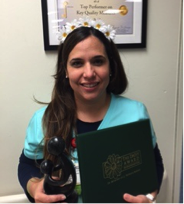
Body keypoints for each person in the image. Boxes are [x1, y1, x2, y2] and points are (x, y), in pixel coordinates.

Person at [18, 17, 164, 204]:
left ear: (111, 66)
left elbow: (154, 164)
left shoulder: (135, 114)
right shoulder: (44, 120)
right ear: (65, 70)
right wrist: (33, 187)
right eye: (77, 63)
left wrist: (150, 198)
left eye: (98, 61)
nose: (88, 73)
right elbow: (27, 164)